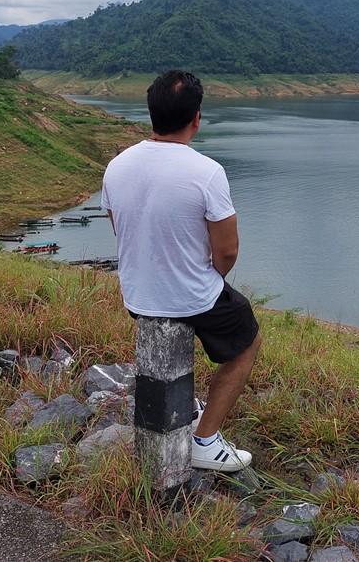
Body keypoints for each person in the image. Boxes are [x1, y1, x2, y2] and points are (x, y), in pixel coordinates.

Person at [101, 70, 261, 473]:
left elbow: (121, 228)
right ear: (197, 118)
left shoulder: (116, 166)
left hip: (137, 295)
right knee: (246, 341)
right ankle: (205, 440)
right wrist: (205, 278)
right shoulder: (206, 172)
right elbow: (227, 252)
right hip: (190, 297)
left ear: (151, 114)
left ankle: (189, 406)